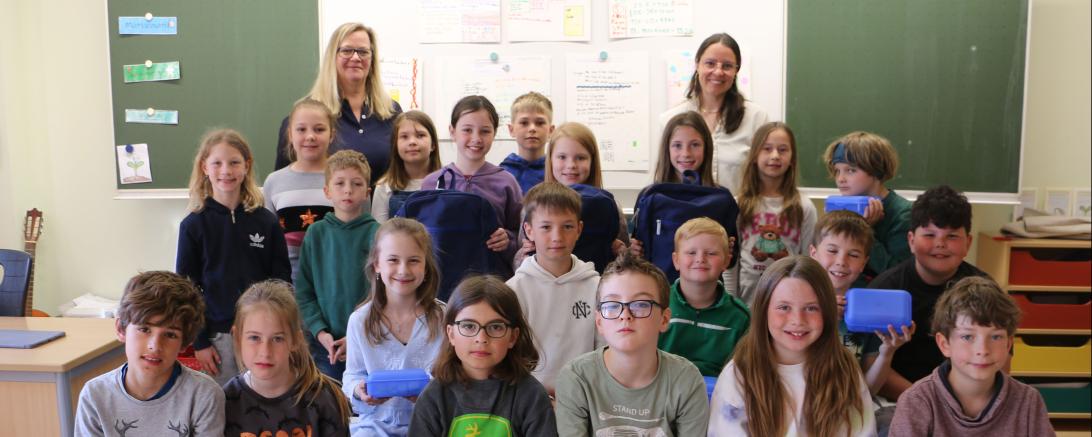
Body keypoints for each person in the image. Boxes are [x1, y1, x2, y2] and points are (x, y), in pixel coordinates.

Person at [708, 256, 875, 436]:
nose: (797, 320)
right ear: (763, 311)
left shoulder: (844, 369)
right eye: (784, 307)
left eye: (811, 308)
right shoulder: (740, 373)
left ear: (827, 312)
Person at [177, 129, 291, 385]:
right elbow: (186, 290)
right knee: (223, 407)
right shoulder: (193, 226)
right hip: (218, 339)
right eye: (217, 163)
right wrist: (200, 341)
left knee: (264, 401)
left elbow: (281, 282)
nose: (226, 171)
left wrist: (278, 331)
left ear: (246, 165)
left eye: (234, 162)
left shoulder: (267, 222)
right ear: (204, 167)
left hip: (263, 336)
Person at [555, 253, 710, 436]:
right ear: (599, 322)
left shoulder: (687, 380)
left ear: (664, 319)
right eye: (612, 305)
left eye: (640, 304)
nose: (625, 315)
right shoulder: (576, 378)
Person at [888, 277, 1054, 437]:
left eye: (995, 337)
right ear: (944, 344)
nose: (982, 350)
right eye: (968, 337)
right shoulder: (916, 401)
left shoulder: (1028, 401)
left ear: (1008, 344)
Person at [869, 185, 989, 399]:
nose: (940, 244)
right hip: (901, 400)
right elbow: (871, 365)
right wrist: (927, 402)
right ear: (911, 241)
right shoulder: (884, 290)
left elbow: (1000, 359)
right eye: (929, 234)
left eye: (952, 236)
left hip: (967, 399)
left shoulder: (985, 292)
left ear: (968, 243)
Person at [75, 271, 225, 436]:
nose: (155, 346)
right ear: (120, 329)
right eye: (144, 329)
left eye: (170, 335)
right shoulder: (94, 395)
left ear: (186, 342)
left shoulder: (205, 395)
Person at [409, 276, 557, 436]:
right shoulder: (433, 397)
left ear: (513, 337)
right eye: (468, 326)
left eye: (495, 327)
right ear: (451, 334)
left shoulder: (532, 396)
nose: (481, 338)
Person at [810, 210, 914, 434]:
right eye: (832, 250)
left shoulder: (866, 309)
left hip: (850, 408)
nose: (841, 261)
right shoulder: (796, 303)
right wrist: (820, 315)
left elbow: (869, 389)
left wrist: (887, 351)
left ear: (864, 262)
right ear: (813, 253)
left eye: (854, 255)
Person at [343, 218, 446, 436]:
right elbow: (352, 374)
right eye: (393, 260)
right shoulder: (360, 320)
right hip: (374, 425)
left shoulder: (444, 317)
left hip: (432, 424)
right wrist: (359, 390)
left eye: (414, 261)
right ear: (377, 265)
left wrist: (432, 392)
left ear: (426, 266)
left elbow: (456, 375)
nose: (403, 270)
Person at [274, 22, 402, 185]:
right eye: (347, 50)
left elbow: (405, 173)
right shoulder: (305, 117)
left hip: (384, 209)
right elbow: (282, 184)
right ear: (332, 56)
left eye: (363, 52)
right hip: (322, 210)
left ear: (372, 59)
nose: (355, 57)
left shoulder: (392, 112)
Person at [506, 182, 601, 393]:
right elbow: (507, 356)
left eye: (567, 226)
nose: (557, 237)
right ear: (529, 230)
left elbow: (605, 350)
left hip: (583, 397)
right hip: (528, 399)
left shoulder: (598, 287)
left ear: (579, 229)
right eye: (546, 227)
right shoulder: (513, 291)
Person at [223, 280, 350, 436]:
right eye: (254, 338)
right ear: (237, 338)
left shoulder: (323, 398)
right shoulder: (226, 400)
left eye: (277, 339)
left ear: (295, 341)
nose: (265, 352)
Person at [295, 150, 380, 381]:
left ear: (367, 193)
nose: (348, 190)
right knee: (329, 407)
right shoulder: (316, 233)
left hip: (370, 342)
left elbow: (384, 294)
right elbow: (304, 291)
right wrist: (320, 332)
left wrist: (356, 337)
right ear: (327, 191)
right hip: (326, 345)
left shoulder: (379, 235)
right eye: (340, 183)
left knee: (367, 404)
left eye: (356, 183)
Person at [659, 33, 770, 194]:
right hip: (686, 216)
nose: (718, 72)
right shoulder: (671, 119)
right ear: (697, 65)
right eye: (710, 63)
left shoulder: (756, 118)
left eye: (727, 66)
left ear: (736, 70)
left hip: (739, 217)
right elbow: (663, 176)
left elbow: (766, 179)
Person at [422, 95, 523, 266]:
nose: (476, 138)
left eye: (485, 131)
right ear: (452, 131)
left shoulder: (506, 182)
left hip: (491, 278)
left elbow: (521, 232)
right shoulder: (432, 182)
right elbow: (421, 236)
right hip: (443, 280)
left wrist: (509, 239)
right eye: (467, 130)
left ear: (494, 133)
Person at [512, 122, 628, 268]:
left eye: (580, 158)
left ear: (592, 161)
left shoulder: (610, 205)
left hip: (595, 285)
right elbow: (520, 256)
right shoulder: (535, 203)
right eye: (562, 157)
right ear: (550, 160)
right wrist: (524, 253)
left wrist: (621, 251)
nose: (571, 164)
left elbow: (624, 259)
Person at [735, 122, 817, 304]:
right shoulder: (739, 204)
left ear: (792, 158)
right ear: (755, 155)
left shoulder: (804, 206)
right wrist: (730, 300)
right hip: (746, 303)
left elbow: (807, 261)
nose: (775, 156)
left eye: (782, 150)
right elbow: (732, 263)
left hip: (788, 300)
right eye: (767, 149)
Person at [658, 217, 749, 377]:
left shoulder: (740, 317)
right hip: (663, 391)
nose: (700, 259)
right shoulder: (657, 305)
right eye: (691, 252)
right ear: (676, 260)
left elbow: (744, 373)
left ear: (726, 261)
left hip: (717, 395)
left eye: (711, 253)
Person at [823, 131, 913, 286]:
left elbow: (897, 274)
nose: (840, 179)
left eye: (850, 170)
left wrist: (865, 231)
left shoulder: (903, 214)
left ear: (876, 170)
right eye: (837, 171)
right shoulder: (842, 208)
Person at [263, 98, 336, 280]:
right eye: (301, 129)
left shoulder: (346, 180)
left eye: (319, 129)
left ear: (332, 135)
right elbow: (268, 241)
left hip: (335, 284)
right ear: (290, 135)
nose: (310, 136)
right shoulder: (274, 182)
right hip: (288, 286)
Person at [371, 111, 442, 222]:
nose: (412, 142)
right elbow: (379, 234)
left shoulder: (447, 181)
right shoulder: (385, 187)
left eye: (420, 135)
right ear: (396, 145)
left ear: (433, 144)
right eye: (404, 137)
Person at [500, 91, 555, 194]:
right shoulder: (502, 174)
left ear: (551, 130)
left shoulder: (557, 172)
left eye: (540, 123)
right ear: (511, 130)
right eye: (524, 123)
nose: (532, 128)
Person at [652, 111, 717, 186]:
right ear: (667, 149)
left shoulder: (721, 196)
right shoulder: (651, 196)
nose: (686, 154)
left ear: (706, 148)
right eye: (678, 145)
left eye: (695, 145)